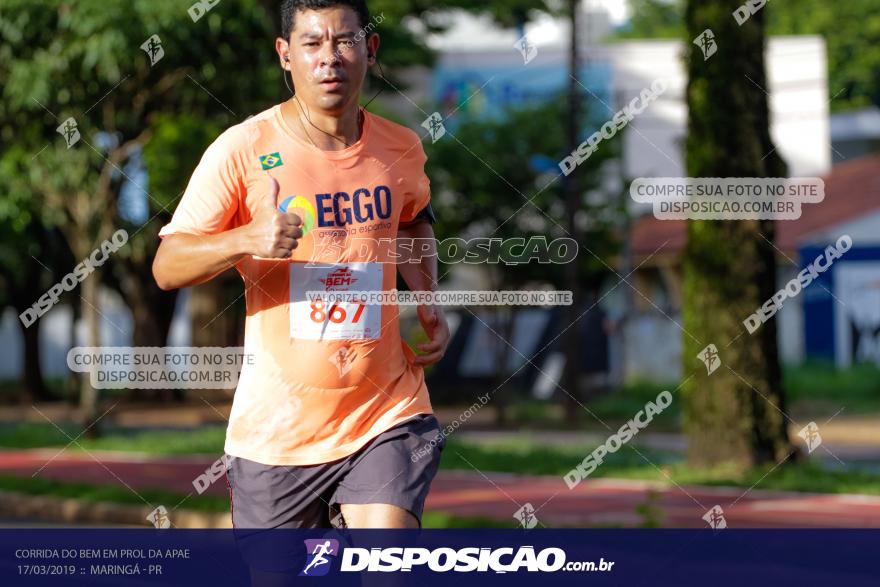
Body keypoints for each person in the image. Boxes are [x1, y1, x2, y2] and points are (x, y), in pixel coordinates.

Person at [152, 0, 449, 544]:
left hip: (385, 411)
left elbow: (412, 220)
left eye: (344, 41)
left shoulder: (400, 145)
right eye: (312, 44)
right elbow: (167, 266)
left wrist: (427, 299)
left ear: (370, 48)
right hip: (278, 433)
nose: (329, 58)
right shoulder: (243, 149)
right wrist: (246, 238)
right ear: (285, 56)